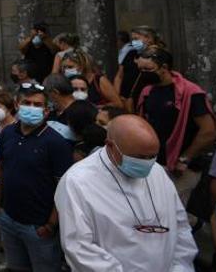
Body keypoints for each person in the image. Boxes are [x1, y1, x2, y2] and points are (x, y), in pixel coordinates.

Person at [55, 114, 196, 270]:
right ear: (110, 146)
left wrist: (181, 267)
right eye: (140, 157)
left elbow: (180, 225)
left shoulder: (157, 172)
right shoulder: (78, 182)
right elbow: (80, 249)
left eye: (153, 156)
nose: (147, 163)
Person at [0, 82, 73, 272]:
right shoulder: (7, 133)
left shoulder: (56, 143)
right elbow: (1, 168)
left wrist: (50, 225)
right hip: (8, 219)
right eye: (26, 103)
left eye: (37, 105)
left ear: (47, 111)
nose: (31, 108)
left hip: (38, 227)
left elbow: (64, 188)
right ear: (16, 104)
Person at [137, 46, 216, 206]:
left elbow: (208, 131)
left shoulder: (190, 93)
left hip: (182, 167)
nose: (143, 74)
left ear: (164, 68)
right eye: (140, 69)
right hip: (155, 165)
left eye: (148, 69)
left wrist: (185, 158)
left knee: (173, 210)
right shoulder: (147, 92)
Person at [115, 25, 163, 108]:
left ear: (148, 38)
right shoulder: (131, 54)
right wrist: (117, 96)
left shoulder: (159, 55)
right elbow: (119, 76)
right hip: (124, 99)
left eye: (136, 39)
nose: (133, 42)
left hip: (145, 99)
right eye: (132, 40)